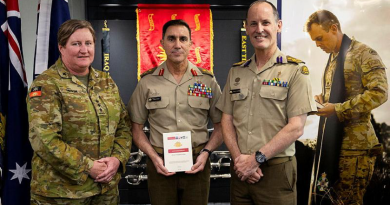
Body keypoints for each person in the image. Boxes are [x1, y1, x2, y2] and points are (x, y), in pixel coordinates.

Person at [216, 1, 317, 204]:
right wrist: (240, 161)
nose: (259, 29)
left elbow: (296, 127)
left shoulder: (295, 71)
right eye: (253, 24)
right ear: (246, 27)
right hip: (241, 172)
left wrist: (256, 160)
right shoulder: (236, 72)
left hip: (276, 173)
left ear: (278, 26)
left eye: (265, 23)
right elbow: (226, 120)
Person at [27, 19, 132, 205]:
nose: (84, 50)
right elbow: (44, 141)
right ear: (61, 47)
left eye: (88, 43)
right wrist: (87, 167)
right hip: (62, 194)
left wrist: (117, 159)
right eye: (76, 44)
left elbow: (123, 127)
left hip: (105, 192)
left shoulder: (105, 81)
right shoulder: (47, 85)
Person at [128, 19, 223, 205]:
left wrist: (206, 153)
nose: (177, 44)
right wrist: (154, 158)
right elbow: (136, 128)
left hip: (198, 163)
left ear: (190, 43)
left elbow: (221, 126)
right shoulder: (147, 82)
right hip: (160, 164)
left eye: (182, 39)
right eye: (171, 39)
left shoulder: (207, 81)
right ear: (162, 43)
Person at [305, 10, 388, 204]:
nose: (317, 45)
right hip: (333, 145)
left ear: (334, 28)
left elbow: (379, 92)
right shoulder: (333, 57)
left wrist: (338, 109)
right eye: (314, 41)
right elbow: (341, 93)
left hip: (355, 150)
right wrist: (322, 99)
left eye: (320, 38)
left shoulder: (364, 53)